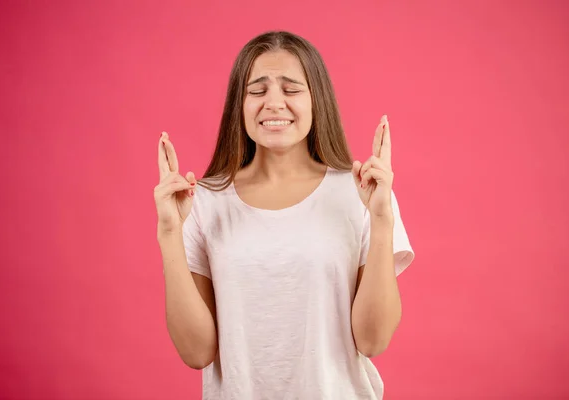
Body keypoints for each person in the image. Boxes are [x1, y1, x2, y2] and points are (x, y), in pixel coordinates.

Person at [154, 31, 415, 400]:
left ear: (316, 100)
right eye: (257, 91)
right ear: (238, 105)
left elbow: (373, 340)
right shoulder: (203, 201)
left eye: (291, 90)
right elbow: (196, 353)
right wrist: (169, 233)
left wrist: (382, 220)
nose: (274, 103)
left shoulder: (362, 193)